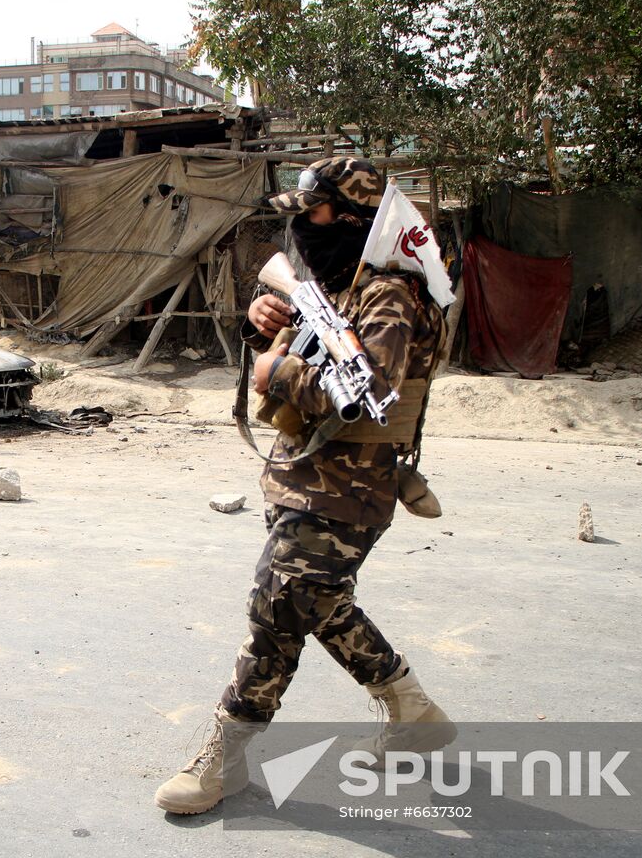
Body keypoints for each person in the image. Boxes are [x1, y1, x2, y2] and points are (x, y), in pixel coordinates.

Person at [155, 157, 456, 815]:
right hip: (299, 476)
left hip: (349, 489)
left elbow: (366, 390)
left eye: (310, 215)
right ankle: (412, 708)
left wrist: (276, 371)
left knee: (275, 606)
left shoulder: (388, 295)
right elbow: (293, 352)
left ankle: (225, 757)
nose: (299, 227)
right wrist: (265, 325)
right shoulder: (335, 287)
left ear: (354, 218)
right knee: (310, 605)